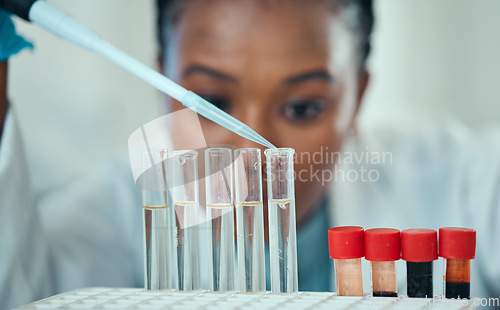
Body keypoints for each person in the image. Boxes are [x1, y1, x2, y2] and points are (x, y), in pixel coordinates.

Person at [1, 0, 499, 308]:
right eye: (212, 103)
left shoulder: (454, 179)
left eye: (302, 107)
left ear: (358, 97)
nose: (254, 151)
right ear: (162, 87)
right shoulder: (109, 213)